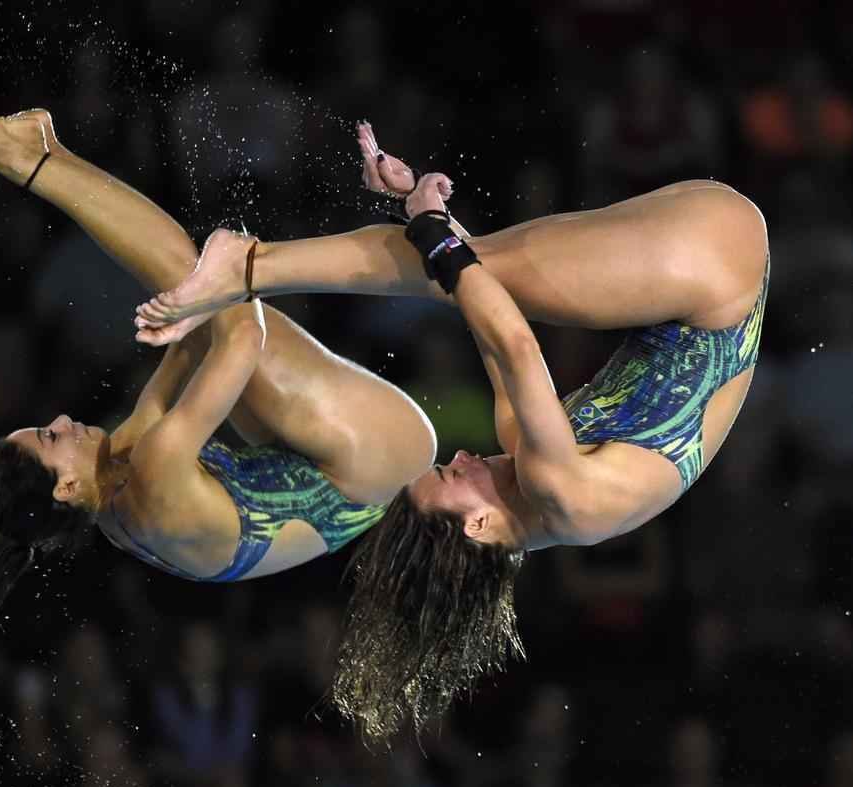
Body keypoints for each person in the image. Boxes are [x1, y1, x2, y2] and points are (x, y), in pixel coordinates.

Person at [134, 123, 769, 742]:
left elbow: (484, 307)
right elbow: (515, 341)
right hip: (715, 268)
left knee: (466, 267)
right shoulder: (560, 492)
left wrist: (426, 218)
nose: (461, 457)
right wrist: (430, 228)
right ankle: (246, 266)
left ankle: (251, 265)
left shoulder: (533, 482)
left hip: (702, 264)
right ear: (478, 525)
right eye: (451, 476)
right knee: (462, 263)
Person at [0, 97, 436, 716]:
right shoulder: (152, 479)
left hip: (318, 463)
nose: (62, 419)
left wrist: (181, 316)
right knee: (207, 285)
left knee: (188, 289)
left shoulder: (110, 494)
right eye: (48, 434)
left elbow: (175, 377)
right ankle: (37, 161)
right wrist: (209, 290)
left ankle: (45, 156)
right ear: (64, 486)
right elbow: (242, 335)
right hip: (376, 454)